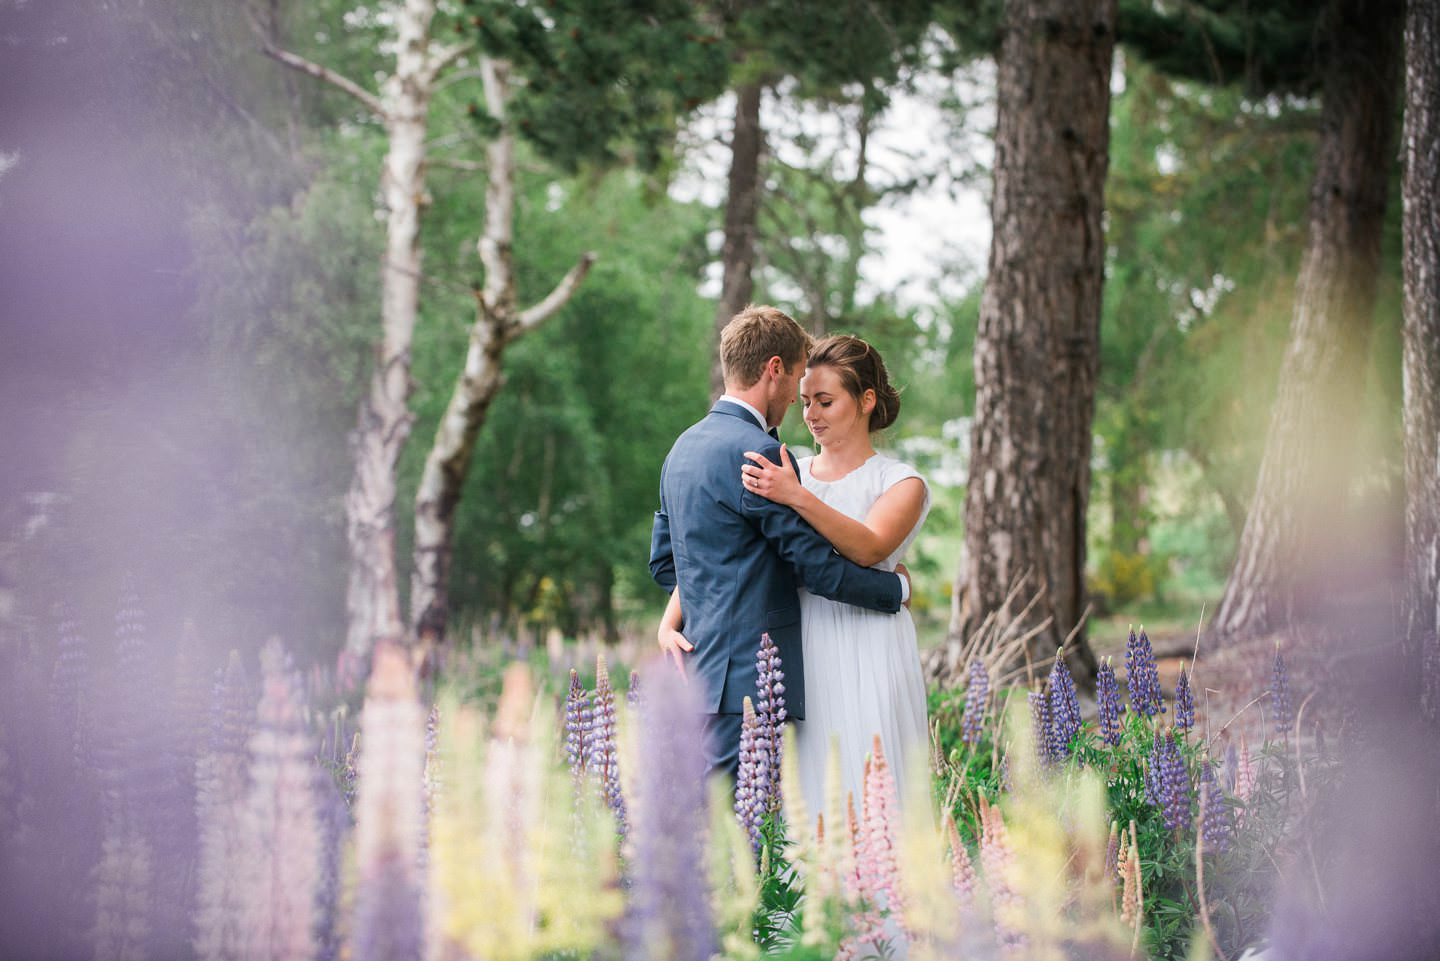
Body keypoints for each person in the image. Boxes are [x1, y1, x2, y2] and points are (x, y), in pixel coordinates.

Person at [648, 306, 911, 780]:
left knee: (719, 829)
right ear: (774, 370)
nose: (797, 403)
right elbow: (817, 570)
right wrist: (897, 591)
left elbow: (668, 564)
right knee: (744, 836)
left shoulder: (680, 449)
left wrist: (690, 614)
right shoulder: (761, 453)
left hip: (699, 674)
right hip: (753, 679)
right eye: (795, 383)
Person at [734, 334, 931, 818]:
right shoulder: (790, 469)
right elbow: (737, 546)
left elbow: (868, 546)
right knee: (813, 785)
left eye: (825, 401)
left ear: (866, 400)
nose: (811, 414)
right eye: (804, 402)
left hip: (874, 646)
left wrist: (797, 496)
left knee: (874, 779)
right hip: (806, 645)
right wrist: (672, 614)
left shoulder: (901, 482)